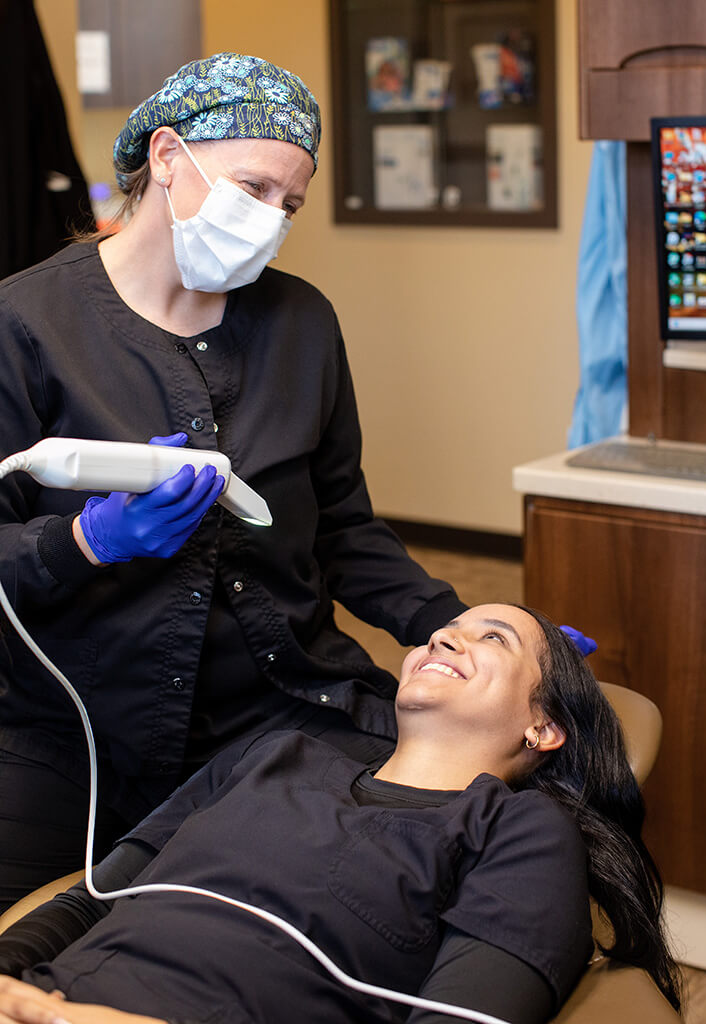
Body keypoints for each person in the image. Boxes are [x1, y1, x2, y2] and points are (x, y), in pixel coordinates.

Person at [0, 52, 470, 913]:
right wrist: (81, 543)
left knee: (388, 887)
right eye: (253, 188)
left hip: (281, 705)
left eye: (289, 204)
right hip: (75, 726)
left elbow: (344, 530)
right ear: (168, 158)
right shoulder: (26, 324)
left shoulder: (302, 324)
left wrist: (458, 625)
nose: (271, 221)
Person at [0, 604, 682, 1024]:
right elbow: (92, 900)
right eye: (445, 629)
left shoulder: (521, 833)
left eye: (493, 637)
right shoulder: (273, 756)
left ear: (543, 726)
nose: (444, 638)